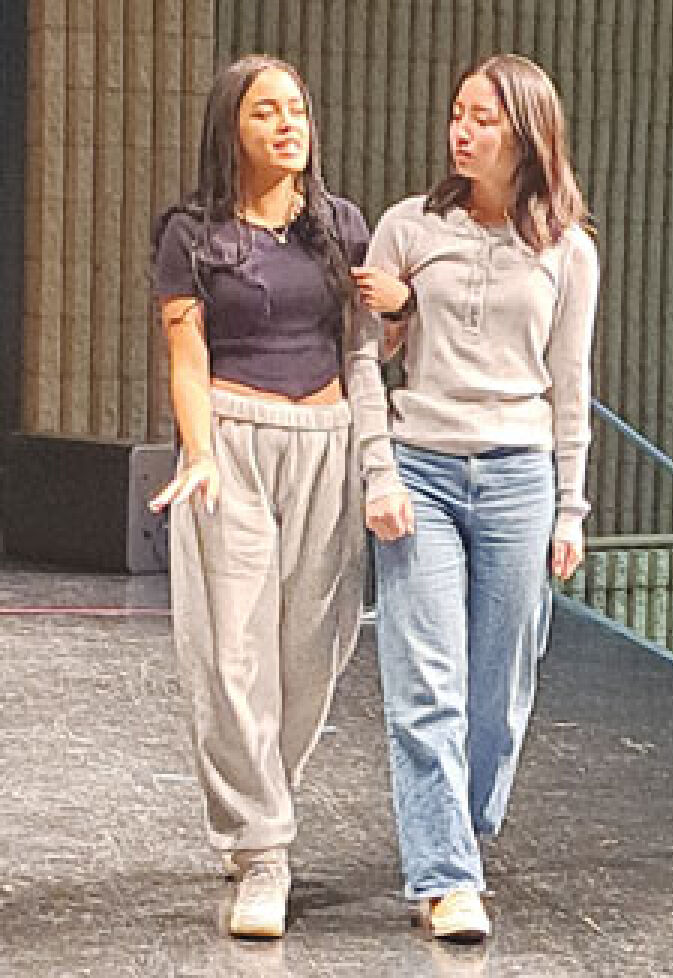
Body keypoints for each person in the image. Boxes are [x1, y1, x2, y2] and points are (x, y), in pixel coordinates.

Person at [149, 54, 409, 938]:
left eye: (296, 109)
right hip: (235, 443)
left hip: (327, 444)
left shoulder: (340, 226)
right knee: (234, 658)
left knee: (312, 654)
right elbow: (186, 358)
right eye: (266, 112)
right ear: (233, 129)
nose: (288, 124)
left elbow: (370, 349)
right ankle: (264, 851)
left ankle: (261, 809)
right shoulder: (192, 234)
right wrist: (201, 451)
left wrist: (401, 318)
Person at [355, 53, 598, 940]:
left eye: (483, 118)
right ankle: (446, 874)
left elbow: (570, 386)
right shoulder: (406, 228)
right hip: (419, 464)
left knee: (499, 691)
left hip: (520, 475)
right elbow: (363, 362)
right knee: (427, 683)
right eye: (458, 113)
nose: (463, 130)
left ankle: (461, 822)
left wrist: (571, 508)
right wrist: (379, 468)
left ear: (528, 134)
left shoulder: (568, 250)